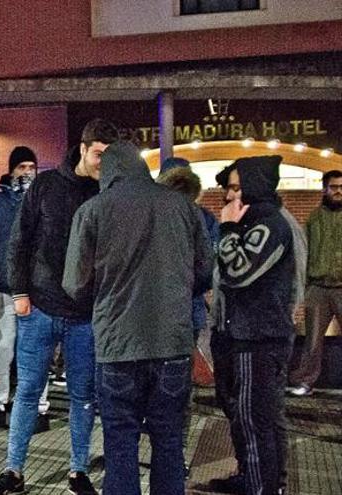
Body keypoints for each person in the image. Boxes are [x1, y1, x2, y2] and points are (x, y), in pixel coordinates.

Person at [62, 141, 213, 495]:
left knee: (120, 442)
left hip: (118, 345)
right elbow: (205, 271)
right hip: (172, 343)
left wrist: (103, 301)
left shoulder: (93, 210)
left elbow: (74, 283)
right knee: (168, 440)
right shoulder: (182, 207)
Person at [0, 120, 118, 495]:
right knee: (28, 391)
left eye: (109, 157)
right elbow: (19, 241)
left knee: (82, 395)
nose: (102, 163)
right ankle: (13, 470)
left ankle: (78, 471)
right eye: (98, 155)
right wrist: (20, 293)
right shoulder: (46, 185)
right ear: (82, 147)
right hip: (40, 307)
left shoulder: (107, 192)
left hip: (85, 314)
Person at [209, 155, 295, 495]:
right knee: (244, 417)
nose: (229, 196)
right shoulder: (252, 224)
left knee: (255, 420)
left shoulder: (271, 225)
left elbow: (237, 272)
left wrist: (227, 228)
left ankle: (263, 486)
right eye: (228, 188)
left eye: (236, 188)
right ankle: (253, 477)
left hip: (258, 339)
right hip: (238, 335)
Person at [155, 157, 220, 478]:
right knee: (179, 391)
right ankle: (174, 455)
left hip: (151, 315)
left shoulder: (149, 214)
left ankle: (163, 451)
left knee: (150, 387)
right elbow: (208, 270)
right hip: (186, 314)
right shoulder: (203, 219)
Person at [0, 147, 37, 429]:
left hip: (35, 289)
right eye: (22, 167)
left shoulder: (40, 203)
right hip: (3, 287)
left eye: (31, 166)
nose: (27, 172)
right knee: (2, 346)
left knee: (35, 347)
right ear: (11, 169)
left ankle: (38, 405)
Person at [288, 170, 342, 397]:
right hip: (318, 287)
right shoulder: (313, 218)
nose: (338, 191)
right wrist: (305, 285)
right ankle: (305, 382)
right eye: (333, 187)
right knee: (312, 341)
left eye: (341, 187)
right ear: (325, 189)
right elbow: (303, 252)